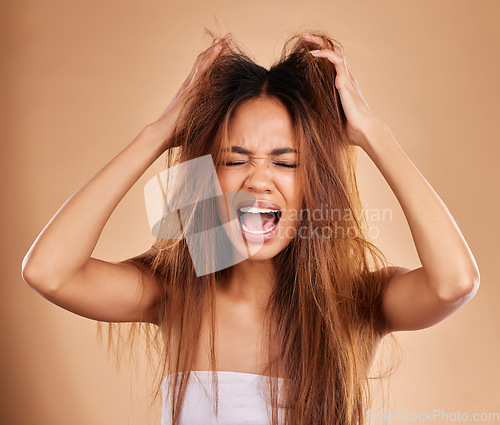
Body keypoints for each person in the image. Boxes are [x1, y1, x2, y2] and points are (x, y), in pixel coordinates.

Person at [21, 29, 480, 425]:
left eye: (287, 162)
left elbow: (453, 284)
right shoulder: (176, 288)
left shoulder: (355, 300)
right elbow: (49, 271)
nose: (258, 179)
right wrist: (159, 133)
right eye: (235, 160)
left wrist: (371, 133)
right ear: (207, 178)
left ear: (314, 185)